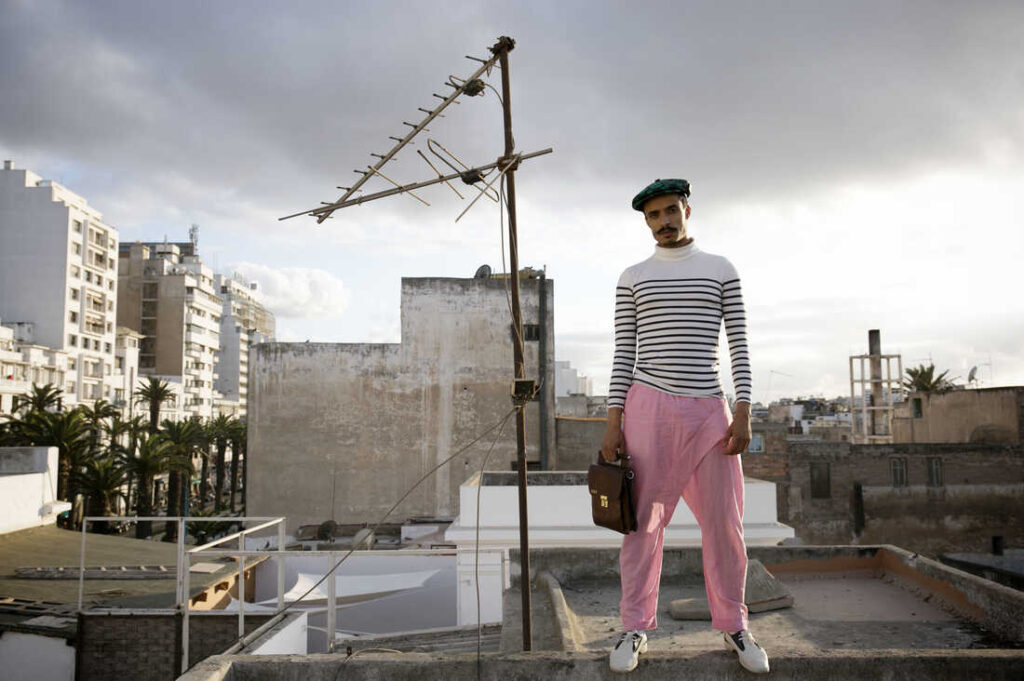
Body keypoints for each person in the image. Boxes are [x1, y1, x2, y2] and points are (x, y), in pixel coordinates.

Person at [601, 178, 769, 674]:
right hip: (648, 408)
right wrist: (613, 422)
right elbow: (623, 353)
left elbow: (739, 343)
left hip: (709, 411)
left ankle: (735, 625)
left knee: (725, 525)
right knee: (641, 525)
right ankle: (634, 626)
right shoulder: (633, 277)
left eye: (671, 211)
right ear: (646, 221)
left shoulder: (721, 269)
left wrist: (744, 409)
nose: (664, 222)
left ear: (687, 210)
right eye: (654, 215)